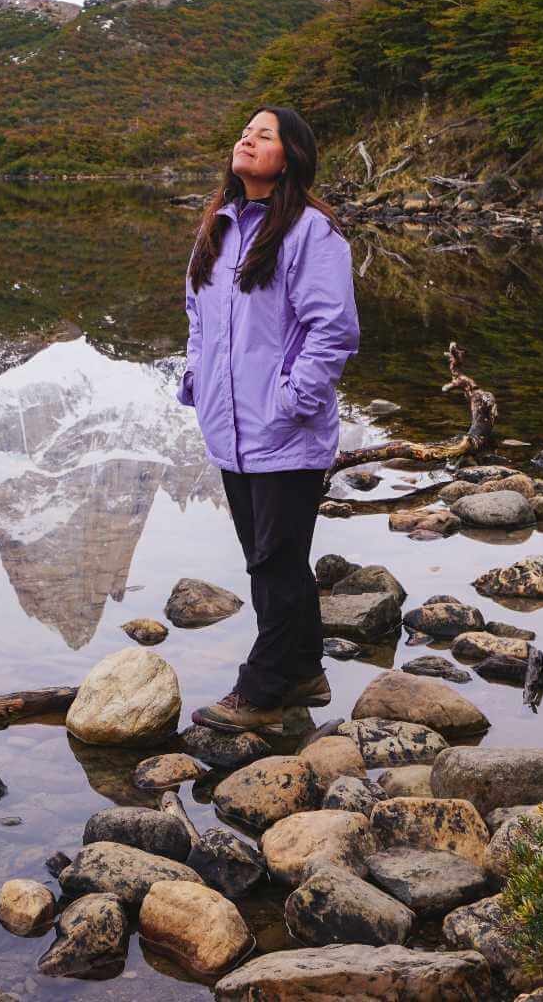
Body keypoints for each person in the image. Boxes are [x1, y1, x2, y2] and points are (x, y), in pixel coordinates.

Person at [175, 105, 360, 735]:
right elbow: (198, 318)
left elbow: (331, 330)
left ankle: (263, 689)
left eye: (264, 135)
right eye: (245, 132)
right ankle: (304, 669)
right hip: (231, 430)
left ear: (291, 156)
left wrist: (293, 403)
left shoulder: (313, 233)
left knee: (275, 560)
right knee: (270, 556)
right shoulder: (218, 229)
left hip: (286, 431)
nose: (247, 140)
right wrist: (196, 383)